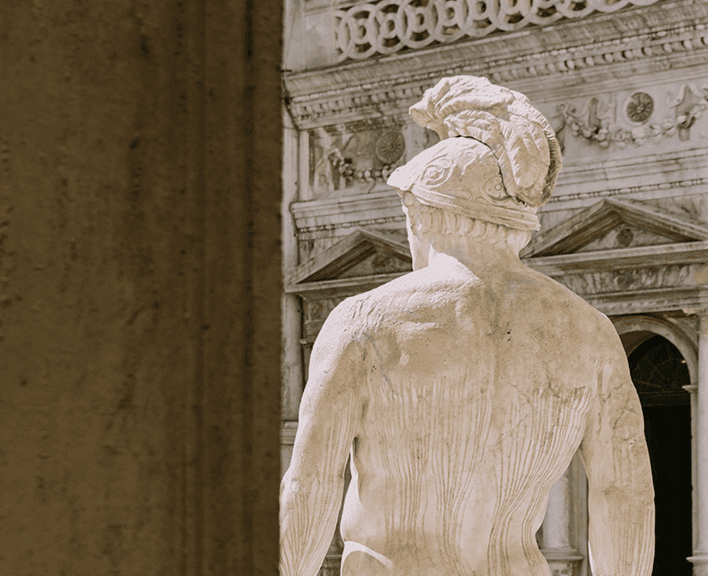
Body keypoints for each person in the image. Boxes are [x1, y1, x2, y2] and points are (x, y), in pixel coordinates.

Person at [280, 76, 654, 576]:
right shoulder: (591, 332)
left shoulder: (363, 322)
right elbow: (623, 493)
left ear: (420, 214)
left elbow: (310, 485)